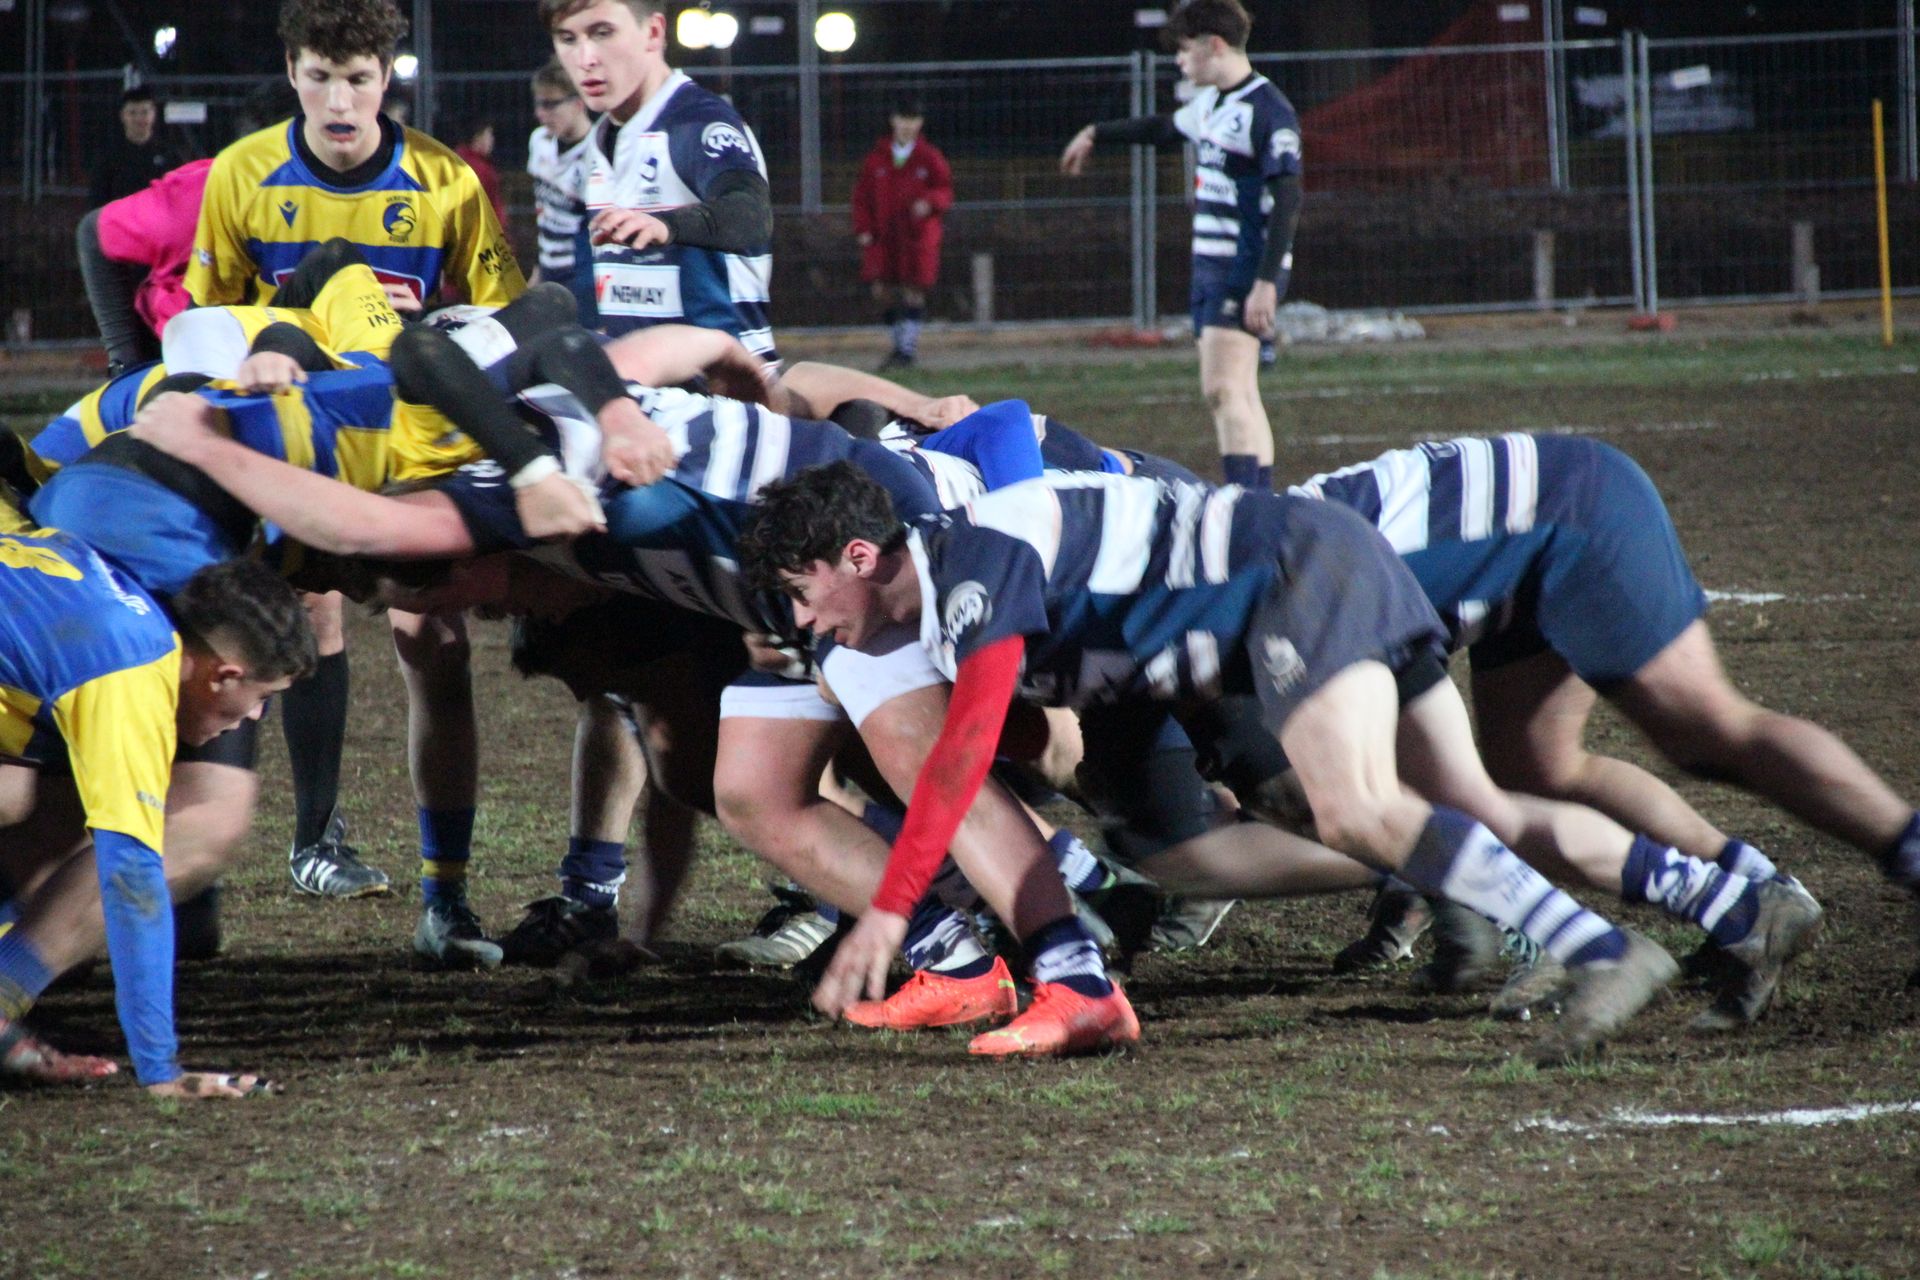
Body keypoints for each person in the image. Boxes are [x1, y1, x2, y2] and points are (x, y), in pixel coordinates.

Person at [738, 464, 1693, 1065]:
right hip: (1260, 612)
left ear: (859, 555)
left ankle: (1637, 931)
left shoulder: (974, 563)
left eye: (801, 593)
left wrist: (894, 907)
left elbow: (970, 748)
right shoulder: (951, 595)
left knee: (1368, 810)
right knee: (1389, 809)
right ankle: (1656, 925)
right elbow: (1030, 735)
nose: (804, 622)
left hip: (1292, 578)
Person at [186, 0, 526, 903]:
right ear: (291, 71)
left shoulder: (445, 180)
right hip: (293, 434)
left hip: (407, 438)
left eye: (359, 79)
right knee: (280, 621)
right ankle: (288, 845)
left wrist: (441, 322)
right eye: (320, 76)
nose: (339, 99)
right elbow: (207, 316)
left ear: (388, 78)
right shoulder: (243, 174)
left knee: (437, 639)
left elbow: (505, 313)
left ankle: (444, 890)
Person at [0, 547, 315, 1097]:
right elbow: (132, 881)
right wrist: (161, 1069)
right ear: (225, 676)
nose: (256, 716)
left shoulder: (122, 607)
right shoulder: (130, 679)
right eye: (263, 697)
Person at [1059, 0, 1300, 490]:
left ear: (1214, 45)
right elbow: (1164, 128)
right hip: (1214, 264)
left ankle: (1244, 508)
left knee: (1222, 390)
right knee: (1240, 392)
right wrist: (1096, 133)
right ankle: (1263, 506)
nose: (1180, 61)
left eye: (1186, 50)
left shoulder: (1267, 110)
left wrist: (1266, 283)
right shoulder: (1214, 103)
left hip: (1242, 265)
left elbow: (1289, 198)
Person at [544, 0, 777, 363]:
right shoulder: (603, 136)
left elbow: (750, 213)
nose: (585, 58)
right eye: (568, 38)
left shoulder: (694, 122)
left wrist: (667, 225)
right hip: (651, 390)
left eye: (603, 33)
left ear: (652, 33)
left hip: (726, 392)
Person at [851, 98, 952, 371]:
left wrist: (930, 202)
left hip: (916, 237)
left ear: (920, 123)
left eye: (913, 120)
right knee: (881, 289)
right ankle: (899, 344)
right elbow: (861, 198)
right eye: (903, 119)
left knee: (913, 289)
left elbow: (944, 190)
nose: (907, 125)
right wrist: (863, 229)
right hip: (884, 238)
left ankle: (906, 350)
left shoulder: (929, 157)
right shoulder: (876, 159)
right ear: (893, 121)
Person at [528, 59, 599, 326]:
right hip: (548, 271)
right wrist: (538, 269)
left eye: (550, 105)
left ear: (578, 103)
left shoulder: (597, 153)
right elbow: (545, 212)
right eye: (538, 104)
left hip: (581, 276)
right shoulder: (539, 141)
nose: (541, 114)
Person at [89, 86, 178, 209]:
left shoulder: (168, 153)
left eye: (144, 112)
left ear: (154, 114)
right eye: (132, 113)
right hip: (121, 221)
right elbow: (98, 198)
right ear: (122, 116)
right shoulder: (109, 156)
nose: (139, 119)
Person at [454, 115, 509, 232]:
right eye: (489, 135)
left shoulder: (454, 161)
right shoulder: (482, 170)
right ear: (478, 137)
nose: (492, 140)